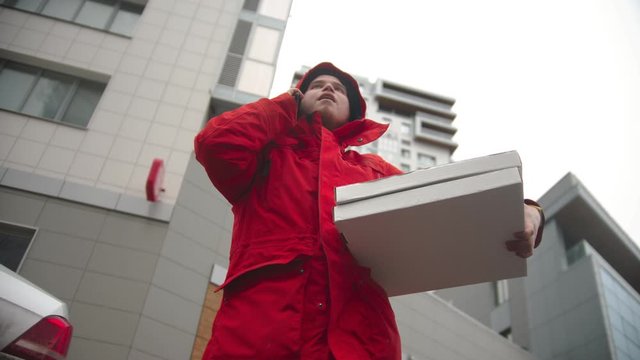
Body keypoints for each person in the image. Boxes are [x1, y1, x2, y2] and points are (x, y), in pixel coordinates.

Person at [194, 62, 544, 360]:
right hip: (256, 341)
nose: (328, 89)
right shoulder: (267, 156)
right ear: (299, 97)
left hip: (359, 347)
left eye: (338, 89)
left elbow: (445, 201)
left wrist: (528, 213)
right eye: (316, 86)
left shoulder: (374, 171)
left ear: (354, 112)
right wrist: (288, 105)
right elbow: (215, 144)